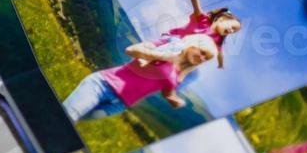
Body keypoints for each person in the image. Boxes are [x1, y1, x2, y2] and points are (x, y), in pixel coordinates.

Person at [63, 38, 215, 121]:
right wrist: (159, 56)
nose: (201, 58)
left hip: (119, 104)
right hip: (104, 84)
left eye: (205, 58)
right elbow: (131, 50)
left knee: (75, 121)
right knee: (69, 116)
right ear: (193, 45)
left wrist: (175, 100)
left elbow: (167, 91)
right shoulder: (170, 44)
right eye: (202, 52)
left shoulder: (181, 74)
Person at [138, 0, 241, 70]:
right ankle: (147, 57)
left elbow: (219, 53)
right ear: (221, 19)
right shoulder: (203, 19)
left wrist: (220, 64)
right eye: (232, 27)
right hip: (172, 39)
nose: (231, 31)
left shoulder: (216, 39)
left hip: (181, 52)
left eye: (234, 31)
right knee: (178, 45)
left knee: (193, 73)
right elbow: (196, 5)